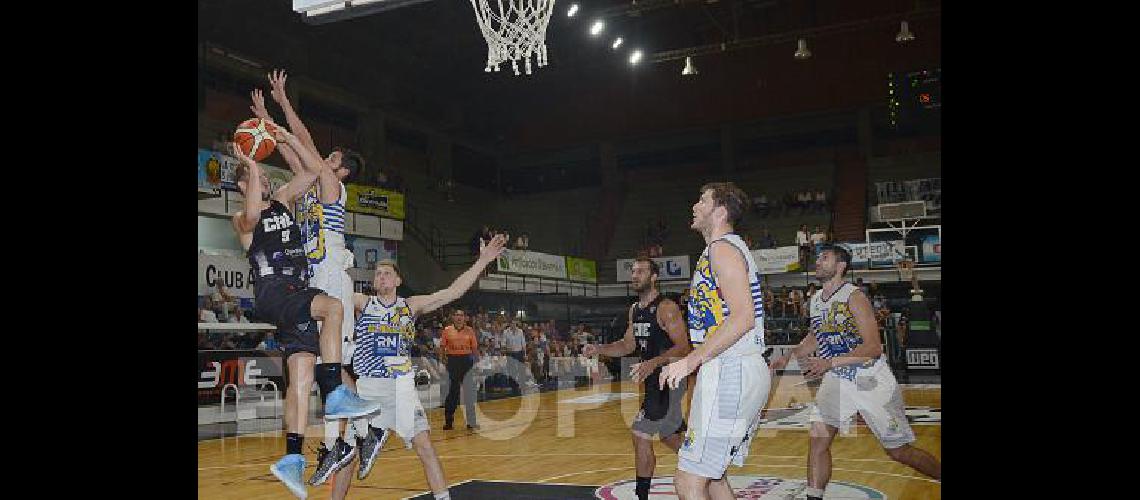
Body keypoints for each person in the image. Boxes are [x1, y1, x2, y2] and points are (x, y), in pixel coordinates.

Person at [228, 132, 382, 499]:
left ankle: (292, 459)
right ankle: (335, 393)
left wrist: (279, 134)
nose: (267, 181)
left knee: (299, 379)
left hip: (293, 298)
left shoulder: (282, 200)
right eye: (258, 180)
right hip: (278, 291)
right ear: (243, 185)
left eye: (266, 178)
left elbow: (312, 172)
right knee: (333, 307)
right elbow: (250, 214)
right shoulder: (241, 218)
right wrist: (251, 162)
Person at [769, 245, 940, 500]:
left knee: (899, 451)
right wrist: (789, 357)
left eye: (824, 258)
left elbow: (872, 347)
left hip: (869, 379)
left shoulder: (854, 297)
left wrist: (829, 363)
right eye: (818, 258)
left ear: (840, 267)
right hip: (838, 380)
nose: (817, 261)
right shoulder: (816, 299)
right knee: (818, 440)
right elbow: (816, 336)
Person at [348, 234, 507, 500]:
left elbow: (453, 292)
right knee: (350, 456)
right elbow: (329, 290)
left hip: (400, 388)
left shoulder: (410, 306)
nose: (381, 277)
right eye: (378, 274)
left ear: (398, 281)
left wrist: (483, 261)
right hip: (369, 388)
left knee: (425, 446)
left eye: (387, 273)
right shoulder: (362, 303)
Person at [659, 182, 771, 500]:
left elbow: (743, 316)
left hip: (731, 369)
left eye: (702, 200)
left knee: (688, 482)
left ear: (719, 211)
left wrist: (691, 359)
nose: (695, 206)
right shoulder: (721, 249)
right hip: (728, 368)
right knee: (715, 477)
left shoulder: (722, 249)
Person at [583, 257, 692, 500]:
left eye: (641, 271)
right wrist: (599, 349)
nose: (635, 275)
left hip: (669, 378)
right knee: (669, 436)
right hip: (654, 381)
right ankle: (704, 465)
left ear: (654, 277)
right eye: (633, 271)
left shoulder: (666, 308)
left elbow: (684, 346)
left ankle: (641, 495)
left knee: (640, 433)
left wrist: (653, 362)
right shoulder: (635, 310)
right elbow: (627, 344)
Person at [439, 309, 480, 430]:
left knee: (469, 393)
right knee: (452, 393)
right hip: (452, 361)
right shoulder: (447, 330)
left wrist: (477, 364)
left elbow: (475, 349)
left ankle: (471, 422)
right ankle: (448, 422)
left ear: (464, 318)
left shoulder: (470, 330)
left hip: (466, 361)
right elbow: (442, 347)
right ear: (453, 317)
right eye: (457, 315)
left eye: (461, 315)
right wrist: (442, 361)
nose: (459, 317)